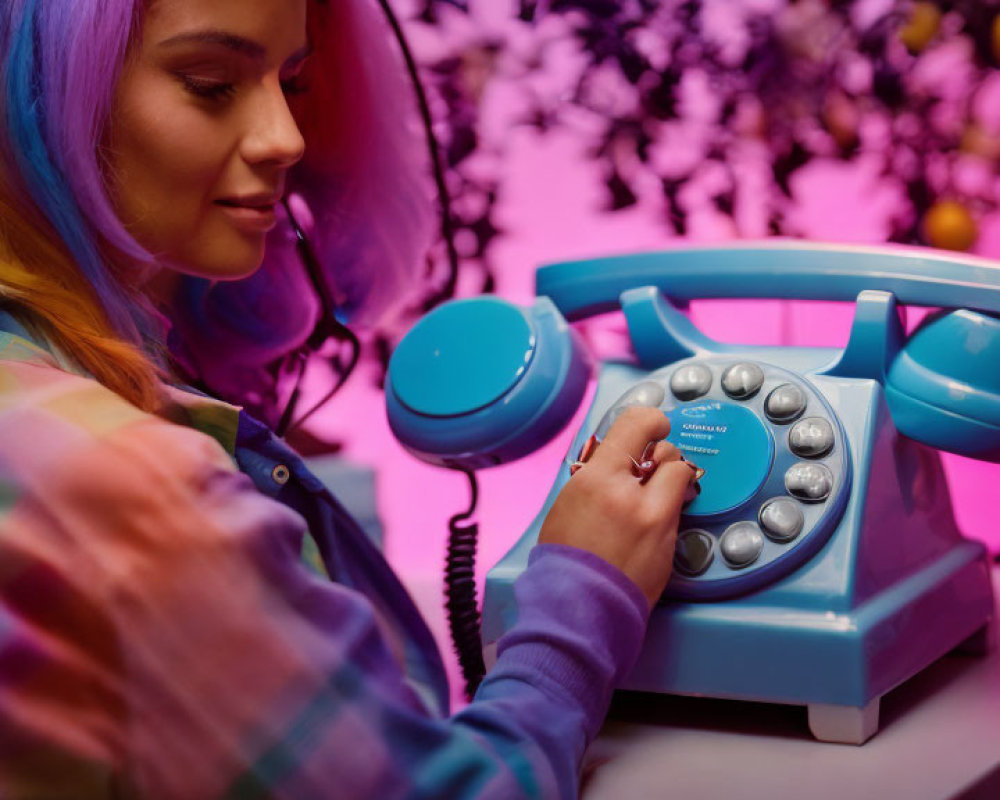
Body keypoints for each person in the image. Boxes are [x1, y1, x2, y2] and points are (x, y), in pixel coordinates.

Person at [0, 0, 698, 797]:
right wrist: (582, 598)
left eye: (294, 82)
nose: (287, 139)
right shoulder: (130, 486)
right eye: (210, 83)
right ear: (31, 98)